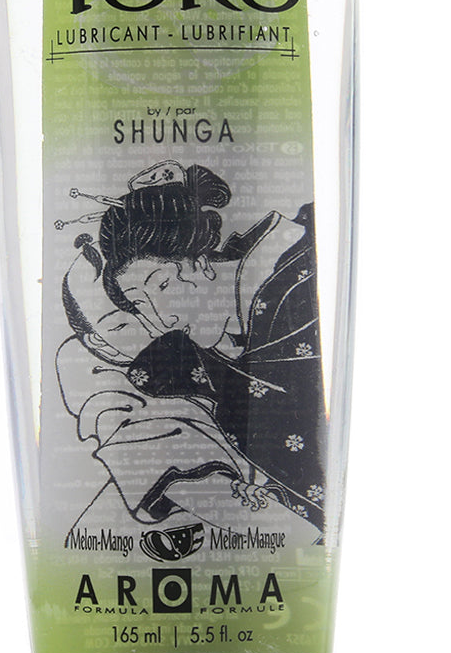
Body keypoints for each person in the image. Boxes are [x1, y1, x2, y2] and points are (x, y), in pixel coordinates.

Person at [97, 163, 327, 528]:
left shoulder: (300, 279)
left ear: (200, 261)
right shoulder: (217, 345)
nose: (163, 320)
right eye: (139, 303)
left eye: (162, 286)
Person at [57, 234, 318, 534]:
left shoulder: (232, 317)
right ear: (99, 343)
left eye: (160, 290)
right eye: (121, 323)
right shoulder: (112, 393)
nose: (154, 322)